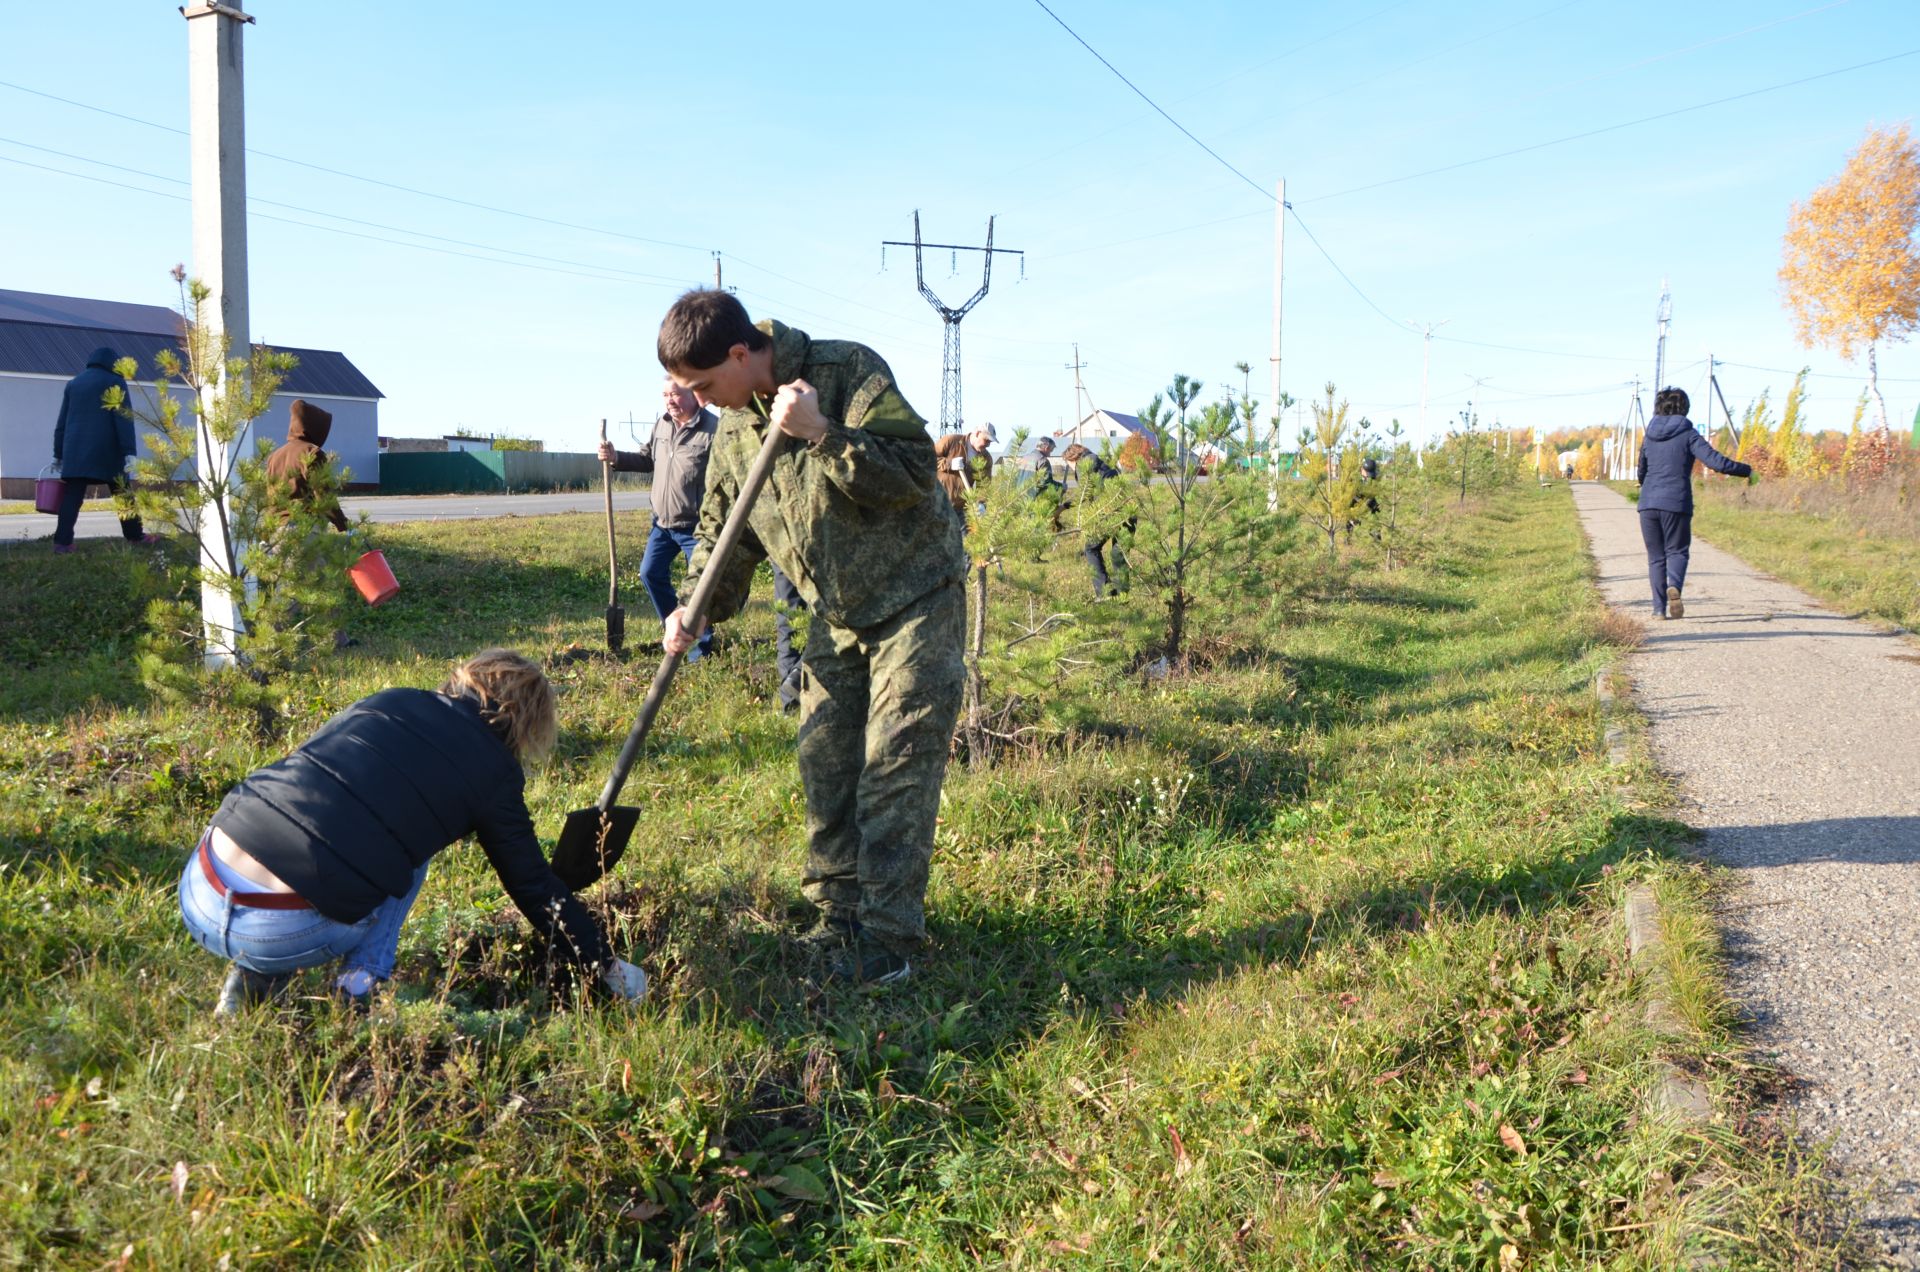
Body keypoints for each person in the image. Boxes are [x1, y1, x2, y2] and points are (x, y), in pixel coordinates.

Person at [655, 289, 965, 987]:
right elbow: (722, 535)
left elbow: (916, 477)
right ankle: (836, 916)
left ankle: (888, 940)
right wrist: (696, 606)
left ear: (741, 354)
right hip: (836, 612)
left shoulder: (847, 371)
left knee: (895, 768)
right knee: (825, 758)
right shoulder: (734, 430)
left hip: (916, 595)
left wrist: (824, 431)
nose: (702, 400)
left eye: (705, 385)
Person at [178, 649, 648, 1014]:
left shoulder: (390, 699)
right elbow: (532, 886)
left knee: (345, 818)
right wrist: (606, 965)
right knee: (406, 852)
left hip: (201, 884)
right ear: (525, 723)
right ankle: (358, 987)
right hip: (285, 930)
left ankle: (250, 978)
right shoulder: (494, 774)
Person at [600, 378, 802, 704]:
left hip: (697, 527)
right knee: (649, 573)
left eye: (675, 394)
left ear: (692, 395)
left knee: (704, 588)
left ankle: (702, 643)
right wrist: (616, 458)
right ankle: (676, 630)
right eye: (665, 394)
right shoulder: (662, 426)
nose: (670, 401)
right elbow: (647, 459)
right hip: (663, 524)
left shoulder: (713, 430)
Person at [1636, 387, 1752, 619]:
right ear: (1685, 408)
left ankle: (1658, 609)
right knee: (1677, 551)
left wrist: (1648, 486)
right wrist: (1745, 470)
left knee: (1656, 557)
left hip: (1648, 504)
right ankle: (1675, 588)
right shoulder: (1688, 434)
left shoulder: (1649, 435)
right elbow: (1716, 462)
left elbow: (1642, 470)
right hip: (1676, 503)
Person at [50, 346, 152, 552]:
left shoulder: (73, 384)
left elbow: (62, 422)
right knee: (122, 493)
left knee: (72, 496)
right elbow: (123, 419)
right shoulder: (115, 381)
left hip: (75, 452)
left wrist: (58, 454)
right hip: (107, 451)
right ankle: (135, 536)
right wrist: (129, 451)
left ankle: (62, 543)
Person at [265, 399, 351, 532]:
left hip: (276, 530)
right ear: (315, 428)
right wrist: (343, 525)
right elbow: (324, 495)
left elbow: (270, 497)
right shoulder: (312, 453)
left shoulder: (274, 456)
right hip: (305, 529)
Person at [1062, 441, 1131, 598]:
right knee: (1119, 552)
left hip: (1108, 511)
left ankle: (1103, 593)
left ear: (1072, 458)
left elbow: (1084, 494)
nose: (1070, 468)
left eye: (1068, 464)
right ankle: (1122, 596)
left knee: (1091, 548)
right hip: (1128, 508)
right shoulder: (1098, 462)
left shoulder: (1082, 466)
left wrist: (1063, 507)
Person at [933, 422, 996, 513]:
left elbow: (983, 485)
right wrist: (950, 464)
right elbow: (928, 458)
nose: (988, 445)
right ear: (978, 433)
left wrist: (981, 504)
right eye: (986, 440)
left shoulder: (986, 459)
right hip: (937, 502)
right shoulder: (951, 441)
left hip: (961, 509)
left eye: (990, 442)